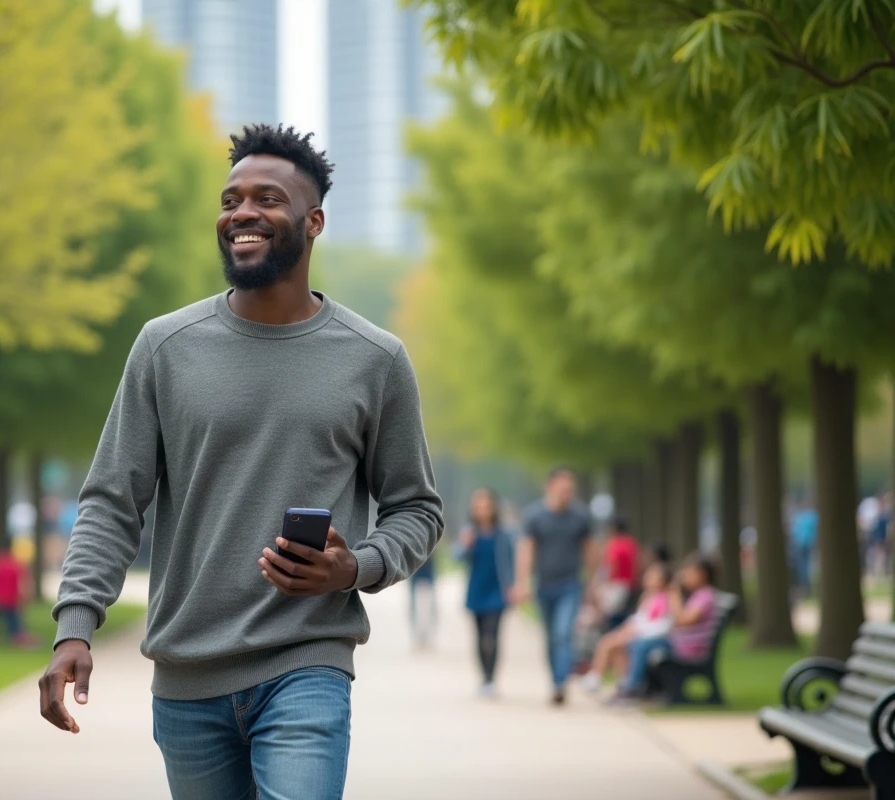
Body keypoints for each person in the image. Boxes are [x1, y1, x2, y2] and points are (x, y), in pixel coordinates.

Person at [38, 124, 444, 800]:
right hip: (188, 676)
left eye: (267, 198)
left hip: (307, 662)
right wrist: (73, 626)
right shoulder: (165, 347)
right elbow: (112, 500)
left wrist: (356, 565)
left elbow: (416, 508)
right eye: (230, 201)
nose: (242, 213)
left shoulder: (375, 359)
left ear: (312, 221)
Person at [512, 466, 594, 705]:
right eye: (562, 488)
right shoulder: (535, 516)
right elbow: (526, 549)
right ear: (550, 487)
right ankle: (555, 680)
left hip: (571, 584)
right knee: (550, 637)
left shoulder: (580, 516)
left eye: (570, 489)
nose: (566, 493)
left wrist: (591, 584)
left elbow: (590, 551)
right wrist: (522, 582)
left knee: (563, 633)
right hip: (544, 585)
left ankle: (561, 682)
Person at [614, 555, 718, 701]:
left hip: (688, 648)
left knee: (642, 645)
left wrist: (674, 593)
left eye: (690, 573)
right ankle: (638, 686)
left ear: (703, 575)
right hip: (680, 643)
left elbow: (683, 620)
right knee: (636, 643)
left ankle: (633, 687)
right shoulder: (697, 595)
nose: (686, 577)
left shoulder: (705, 596)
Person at [455, 488, 516, 697]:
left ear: (493, 508)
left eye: (486, 506)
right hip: (476, 590)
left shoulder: (504, 534)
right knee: (480, 636)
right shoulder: (469, 532)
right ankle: (484, 677)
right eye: (479, 506)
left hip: (497, 591)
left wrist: (513, 585)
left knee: (493, 634)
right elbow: (457, 557)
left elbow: (512, 560)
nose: (483, 510)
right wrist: (466, 544)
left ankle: (491, 679)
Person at [582, 561, 672, 695]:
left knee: (610, 642)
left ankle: (597, 676)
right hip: (640, 632)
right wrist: (629, 628)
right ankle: (622, 682)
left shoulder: (667, 599)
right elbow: (640, 618)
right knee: (616, 646)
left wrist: (635, 630)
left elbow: (662, 624)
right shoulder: (647, 597)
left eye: (652, 577)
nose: (647, 579)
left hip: (650, 636)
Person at [0, 539, 32, 648]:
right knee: (14, 626)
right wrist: (24, 599)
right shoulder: (15, 563)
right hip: (11, 601)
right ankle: (18, 638)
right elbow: (22, 583)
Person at [596, 517, 639, 630]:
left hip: (616, 585)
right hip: (630, 586)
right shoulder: (631, 543)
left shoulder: (614, 544)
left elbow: (612, 565)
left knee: (608, 619)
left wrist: (602, 584)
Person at [408, 549, 437, 651]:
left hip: (426, 578)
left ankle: (425, 637)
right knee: (417, 610)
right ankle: (419, 637)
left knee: (427, 611)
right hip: (417, 579)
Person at [791, 499, 818, 598]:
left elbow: (795, 532)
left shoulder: (799, 517)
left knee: (803, 567)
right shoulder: (813, 516)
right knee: (808, 566)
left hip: (800, 545)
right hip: (809, 545)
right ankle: (808, 587)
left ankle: (805, 587)